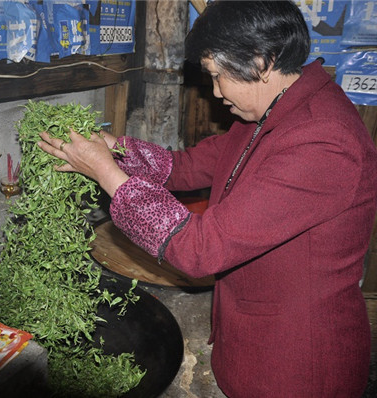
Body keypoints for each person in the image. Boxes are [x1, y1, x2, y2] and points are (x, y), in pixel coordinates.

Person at [38, 1, 377, 397]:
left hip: (298, 363)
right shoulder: (274, 112)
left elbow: (200, 250)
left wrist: (106, 174)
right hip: (251, 337)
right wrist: (115, 150)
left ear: (261, 61)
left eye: (217, 76)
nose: (215, 93)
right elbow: (183, 167)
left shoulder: (322, 139)